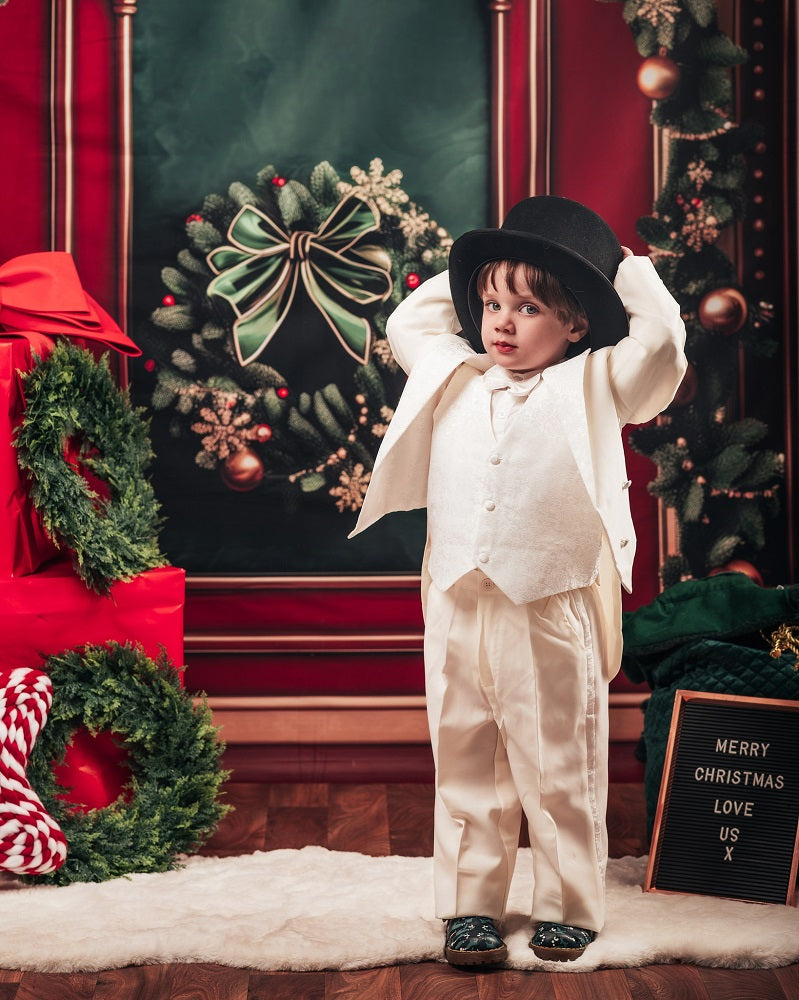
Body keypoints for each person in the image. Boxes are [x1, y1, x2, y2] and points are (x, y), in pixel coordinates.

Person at [350, 196, 687, 965]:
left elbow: (663, 338)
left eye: (528, 307)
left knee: (556, 757)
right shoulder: (453, 369)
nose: (500, 322)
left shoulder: (600, 380)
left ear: (575, 323)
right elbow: (410, 319)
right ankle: (470, 905)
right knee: (465, 749)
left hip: (549, 597)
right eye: (490, 302)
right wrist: (478, 264)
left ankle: (567, 903)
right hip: (458, 593)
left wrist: (617, 268)